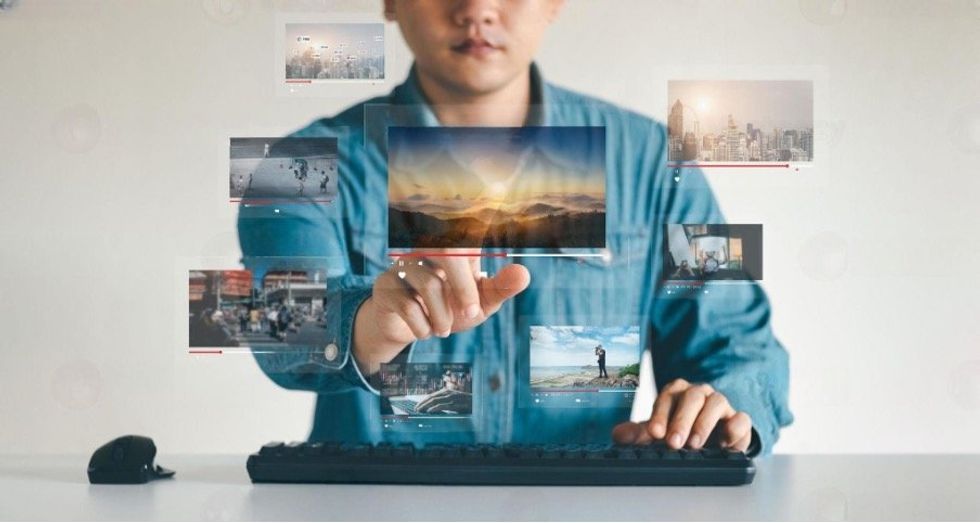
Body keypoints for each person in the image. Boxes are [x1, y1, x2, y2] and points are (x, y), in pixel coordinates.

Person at [238, 0, 792, 455]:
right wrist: (363, 323)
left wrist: (721, 410)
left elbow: (741, 344)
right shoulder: (296, 166)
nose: (476, 9)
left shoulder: (655, 163)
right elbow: (277, 331)